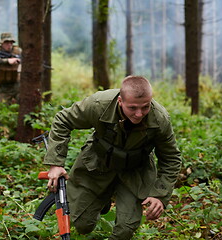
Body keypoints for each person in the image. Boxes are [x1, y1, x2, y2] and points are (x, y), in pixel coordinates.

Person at [43, 76, 182, 239]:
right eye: (132, 108)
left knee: (125, 230)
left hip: (134, 171)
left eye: (145, 107)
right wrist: (55, 163)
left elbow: (171, 157)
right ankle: (102, 198)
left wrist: (159, 194)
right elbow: (63, 120)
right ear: (120, 101)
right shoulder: (98, 105)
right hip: (97, 164)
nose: (139, 114)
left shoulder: (160, 119)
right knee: (82, 224)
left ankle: (108, 198)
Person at [0, 32, 22, 104]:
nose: (9, 45)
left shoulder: (17, 51)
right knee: (4, 108)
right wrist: (7, 61)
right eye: (6, 43)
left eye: (11, 43)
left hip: (16, 85)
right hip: (2, 86)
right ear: (2, 43)